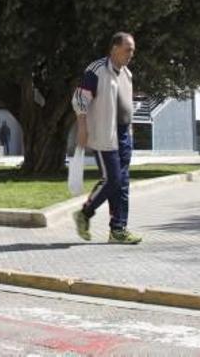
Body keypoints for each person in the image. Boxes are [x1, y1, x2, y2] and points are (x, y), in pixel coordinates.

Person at [70, 32, 141, 244]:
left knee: (123, 183)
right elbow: (80, 99)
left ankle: (118, 230)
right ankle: (84, 214)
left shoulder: (127, 74)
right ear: (114, 48)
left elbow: (125, 106)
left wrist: (130, 132)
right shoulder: (97, 70)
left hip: (124, 135)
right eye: (128, 49)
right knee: (113, 180)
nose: (131, 54)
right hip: (104, 135)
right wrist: (82, 127)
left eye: (133, 50)